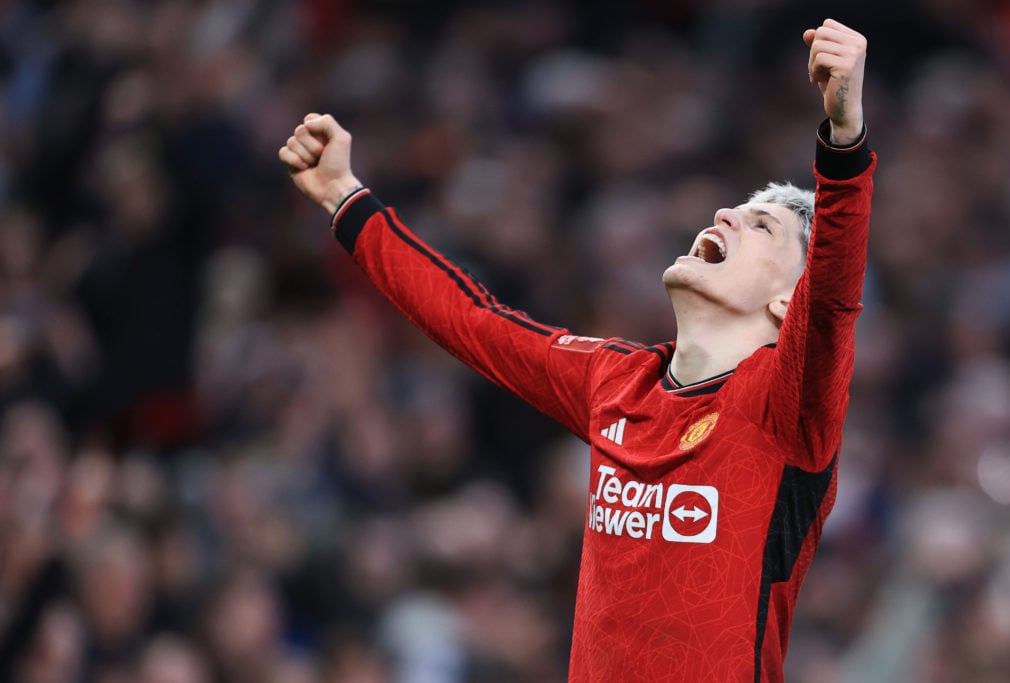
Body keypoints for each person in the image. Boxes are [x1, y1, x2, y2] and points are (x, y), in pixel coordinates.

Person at [279, 18, 873, 683]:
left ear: (786, 304)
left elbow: (834, 300)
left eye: (760, 224)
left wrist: (843, 140)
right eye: (732, 209)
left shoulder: (784, 410)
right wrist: (344, 197)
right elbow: (471, 320)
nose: (724, 216)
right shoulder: (614, 379)